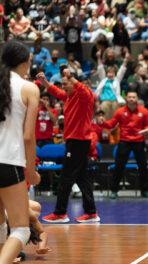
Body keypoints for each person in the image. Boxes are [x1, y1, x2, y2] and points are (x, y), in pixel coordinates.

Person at [38, 69, 99, 223]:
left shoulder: (84, 97)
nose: (64, 87)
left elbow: (85, 91)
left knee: (66, 176)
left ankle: (60, 213)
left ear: (74, 83)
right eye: (63, 84)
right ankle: (91, 213)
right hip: (76, 141)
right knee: (82, 178)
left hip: (78, 141)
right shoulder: (70, 97)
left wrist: (71, 77)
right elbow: (57, 92)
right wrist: (45, 83)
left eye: (66, 84)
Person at [0, 40, 40, 264]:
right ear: (25, 63)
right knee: (21, 229)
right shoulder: (29, 88)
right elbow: (28, 136)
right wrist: (31, 172)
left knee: (0, 226)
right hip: (9, 161)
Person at [101, 90, 148, 199]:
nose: (132, 99)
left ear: (137, 98)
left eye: (134, 97)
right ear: (126, 99)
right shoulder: (120, 111)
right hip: (124, 141)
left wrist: (147, 130)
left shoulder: (144, 111)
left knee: (143, 167)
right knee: (119, 166)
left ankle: (145, 191)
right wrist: (103, 123)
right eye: (129, 97)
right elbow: (111, 124)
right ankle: (114, 190)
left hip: (139, 141)